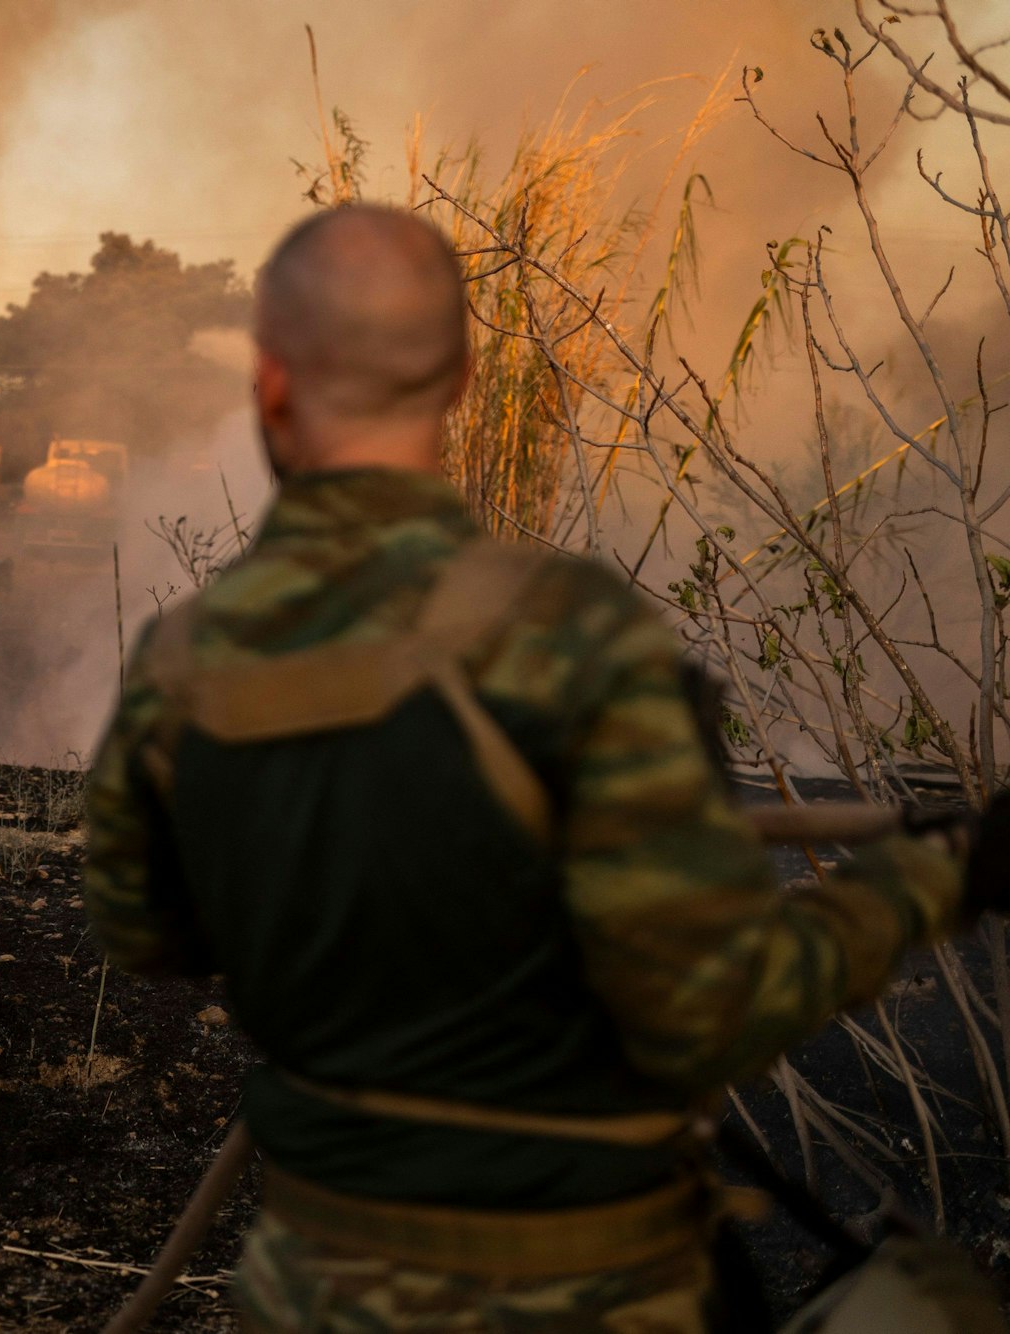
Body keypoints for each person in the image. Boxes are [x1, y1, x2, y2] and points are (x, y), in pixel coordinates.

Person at [81, 205, 1005, 1331]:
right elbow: (704, 1013)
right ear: (462, 376)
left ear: (270, 383)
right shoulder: (577, 635)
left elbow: (145, 931)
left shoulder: (184, 658)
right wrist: (926, 877)